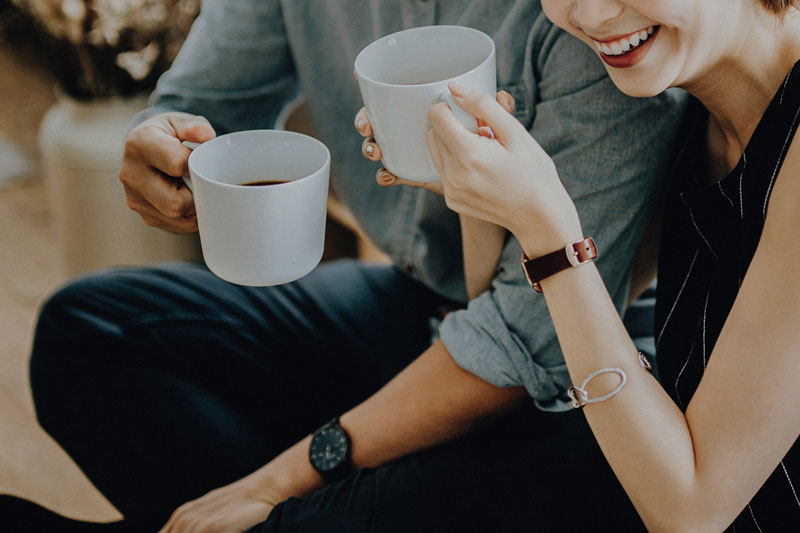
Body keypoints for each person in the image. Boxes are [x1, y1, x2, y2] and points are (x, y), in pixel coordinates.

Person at [14, 1, 686, 532]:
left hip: (579, 370)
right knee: (85, 331)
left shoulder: (595, 16)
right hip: (424, 296)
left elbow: (530, 340)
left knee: (307, 504)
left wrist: (281, 478)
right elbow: (206, 104)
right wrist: (163, 138)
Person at [383, 0, 800, 530]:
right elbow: (514, 314)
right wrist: (472, 190)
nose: (593, 14)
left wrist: (550, 233)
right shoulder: (691, 97)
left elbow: (690, 513)